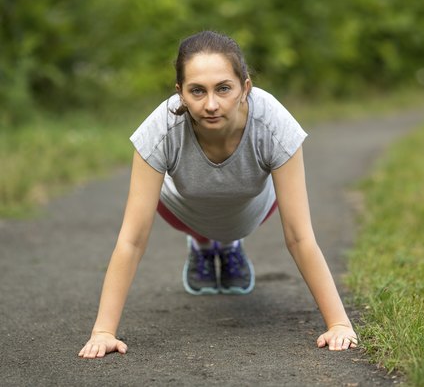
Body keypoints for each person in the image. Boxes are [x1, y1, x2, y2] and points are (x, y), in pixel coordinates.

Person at [78, 30, 358, 359]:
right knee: (180, 214)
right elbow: (132, 238)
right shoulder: (160, 128)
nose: (211, 104)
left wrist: (338, 323)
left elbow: (299, 235)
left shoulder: (273, 122)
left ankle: (226, 242)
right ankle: (203, 243)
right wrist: (103, 331)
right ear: (180, 93)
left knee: (238, 224)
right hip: (183, 206)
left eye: (223, 88)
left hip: (252, 206)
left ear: (245, 89)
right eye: (197, 91)